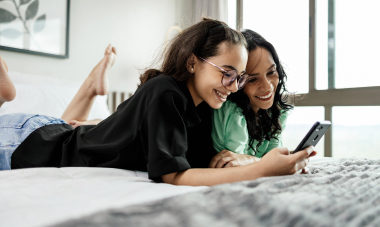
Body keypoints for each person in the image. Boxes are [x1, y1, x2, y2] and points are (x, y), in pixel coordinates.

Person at [0, 19, 313, 186]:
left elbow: (208, 164)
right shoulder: (166, 92)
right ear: (193, 63)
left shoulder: (203, 108)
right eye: (227, 74)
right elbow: (174, 175)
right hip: (28, 142)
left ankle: (89, 89)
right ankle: (6, 94)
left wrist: (262, 162)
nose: (234, 87)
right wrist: (263, 171)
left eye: (239, 78)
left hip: (52, 131)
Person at [210, 29, 315, 170]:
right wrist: (266, 162)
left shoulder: (275, 112)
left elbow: (271, 155)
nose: (267, 86)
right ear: (238, 83)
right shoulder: (231, 112)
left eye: (271, 72)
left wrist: (287, 160)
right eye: (252, 79)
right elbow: (234, 166)